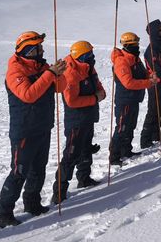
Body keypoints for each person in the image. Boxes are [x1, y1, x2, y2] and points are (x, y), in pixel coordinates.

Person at [0, 32, 67, 228]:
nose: (42, 51)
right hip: (24, 130)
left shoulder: (42, 67)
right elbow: (28, 95)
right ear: (28, 50)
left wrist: (58, 74)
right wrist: (50, 74)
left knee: (38, 169)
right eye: (38, 48)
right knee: (19, 172)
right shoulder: (16, 71)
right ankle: (4, 212)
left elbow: (60, 87)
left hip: (43, 126)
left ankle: (32, 202)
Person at [52, 41, 106, 204]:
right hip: (76, 120)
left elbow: (100, 87)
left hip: (88, 116)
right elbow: (72, 101)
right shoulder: (71, 72)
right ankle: (59, 190)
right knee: (71, 154)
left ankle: (84, 178)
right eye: (89, 54)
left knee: (85, 149)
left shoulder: (88, 68)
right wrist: (95, 98)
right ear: (82, 56)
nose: (92, 57)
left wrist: (99, 95)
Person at [110, 32, 159, 165]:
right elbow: (128, 82)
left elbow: (144, 72)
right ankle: (114, 156)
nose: (136, 46)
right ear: (126, 45)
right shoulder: (122, 61)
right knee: (122, 127)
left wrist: (151, 75)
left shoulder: (135, 58)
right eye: (133, 44)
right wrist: (149, 83)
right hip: (125, 99)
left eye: (137, 44)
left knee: (131, 125)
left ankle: (126, 150)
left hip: (134, 98)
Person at [140, 19, 161, 149]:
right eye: (160, 30)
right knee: (153, 109)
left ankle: (156, 133)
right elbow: (158, 69)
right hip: (155, 83)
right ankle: (145, 138)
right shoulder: (152, 49)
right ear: (155, 32)